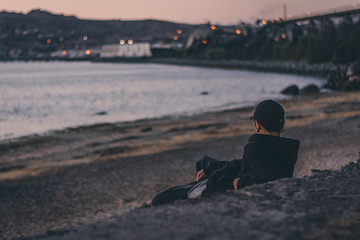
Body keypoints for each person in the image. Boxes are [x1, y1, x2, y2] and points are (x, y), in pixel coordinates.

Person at [152, 99, 300, 206]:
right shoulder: (287, 148)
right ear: (283, 124)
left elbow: (269, 178)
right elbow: (250, 165)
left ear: (257, 124)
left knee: (158, 199)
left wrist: (238, 183)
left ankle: (197, 195)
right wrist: (211, 169)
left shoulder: (255, 148)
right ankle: (198, 183)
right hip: (233, 173)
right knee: (204, 161)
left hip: (221, 186)